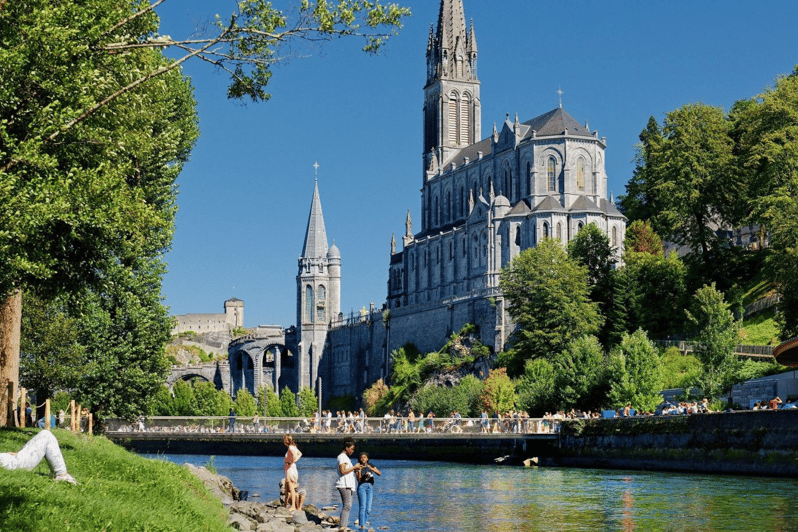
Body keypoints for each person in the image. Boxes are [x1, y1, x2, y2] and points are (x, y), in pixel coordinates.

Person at [0, 429, 76, 484]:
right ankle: (61, 475)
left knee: (45, 434)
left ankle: (61, 473)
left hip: (10, 460)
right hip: (13, 464)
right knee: (47, 436)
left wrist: (9, 454)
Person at [336, 437, 363, 532]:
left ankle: (343, 525)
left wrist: (355, 469)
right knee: (347, 506)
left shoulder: (346, 457)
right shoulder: (342, 457)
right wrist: (354, 467)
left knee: (347, 506)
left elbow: (347, 470)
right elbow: (342, 471)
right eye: (351, 449)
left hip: (348, 485)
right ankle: (342, 526)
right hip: (344, 484)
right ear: (346, 448)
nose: (352, 451)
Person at [355, 452, 381, 531]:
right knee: (362, 507)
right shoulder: (358, 466)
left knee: (368, 508)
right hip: (362, 486)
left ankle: (364, 522)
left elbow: (379, 473)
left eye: (365, 457)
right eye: (361, 457)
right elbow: (358, 479)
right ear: (360, 459)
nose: (363, 459)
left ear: (367, 459)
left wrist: (372, 469)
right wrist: (360, 472)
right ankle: (362, 525)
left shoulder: (371, 465)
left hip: (370, 487)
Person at [283, 434, 303, 511]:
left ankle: (293, 506)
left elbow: (295, 455)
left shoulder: (290, 448)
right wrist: (294, 461)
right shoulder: (293, 447)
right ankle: (285, 504)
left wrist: (292, 461)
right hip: (291, 467)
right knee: (287, 487)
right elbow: (300, 454)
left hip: (290, 468)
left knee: (291, 487)